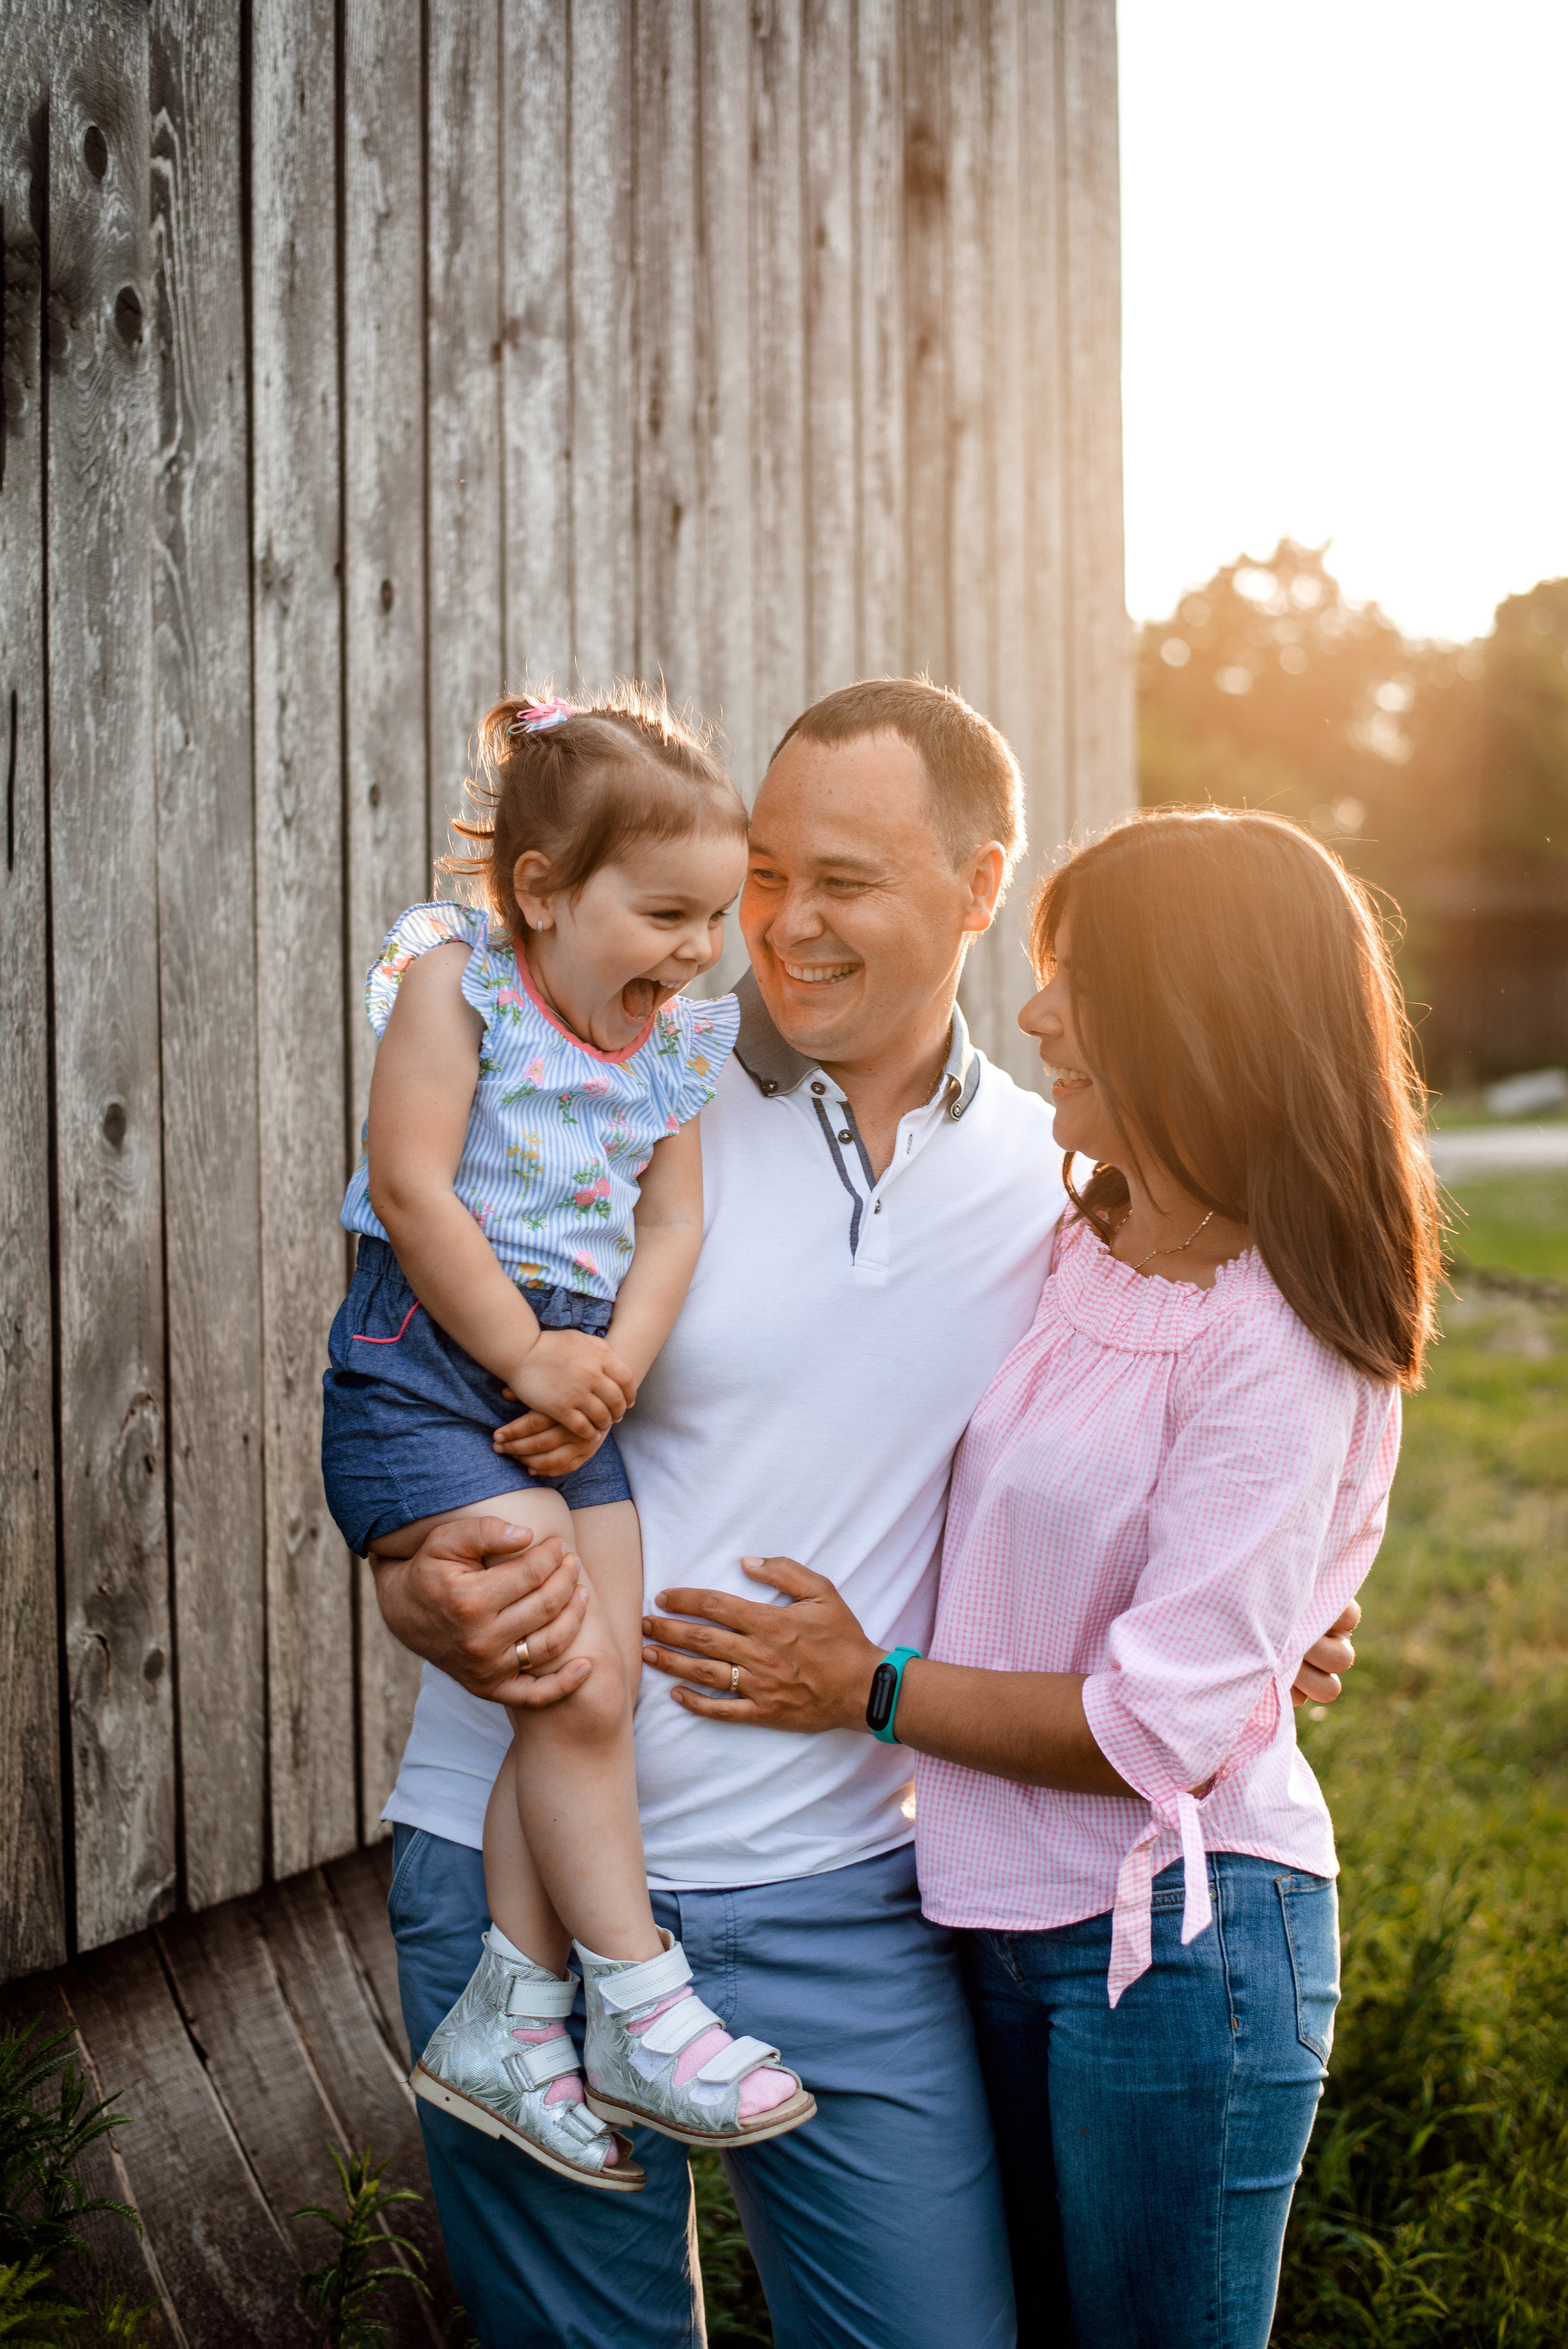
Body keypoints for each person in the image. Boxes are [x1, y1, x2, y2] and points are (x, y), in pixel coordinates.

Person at [371, 687, 1360, 2348]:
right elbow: (404, 1377)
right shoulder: (620, 1088)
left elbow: (1182, 1435)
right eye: (763, 872)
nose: (781, 925)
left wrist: (1281, 1609)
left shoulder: (1072, 1184)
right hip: (517, 1861)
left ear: (981, 889)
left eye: (845, 879)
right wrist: (414, 1576)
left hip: (850, 1889)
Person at [642, 807, 1430, 2348]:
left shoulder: (1277, 1342)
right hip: (987, 1913)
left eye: (1078, 982)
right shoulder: (1094, 1239)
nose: (1035, 1013)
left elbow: (1154, 1726)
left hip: (1173, 1949)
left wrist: (860, 1688)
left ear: (1199, 1018)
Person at [321, 686, 813, 2192]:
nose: (699, 952)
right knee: (574, 1681)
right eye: (666, 913)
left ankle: (510, 2015)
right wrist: (529, 1351)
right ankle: (638, 1997)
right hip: (434, 1361)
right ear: (541, 891)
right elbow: (411, 1186)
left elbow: (673, 1217)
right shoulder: (454, 981)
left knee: (588, 1678)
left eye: (715, 918)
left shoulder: (670, 1046)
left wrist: (609, 1364)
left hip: (568, 1375)